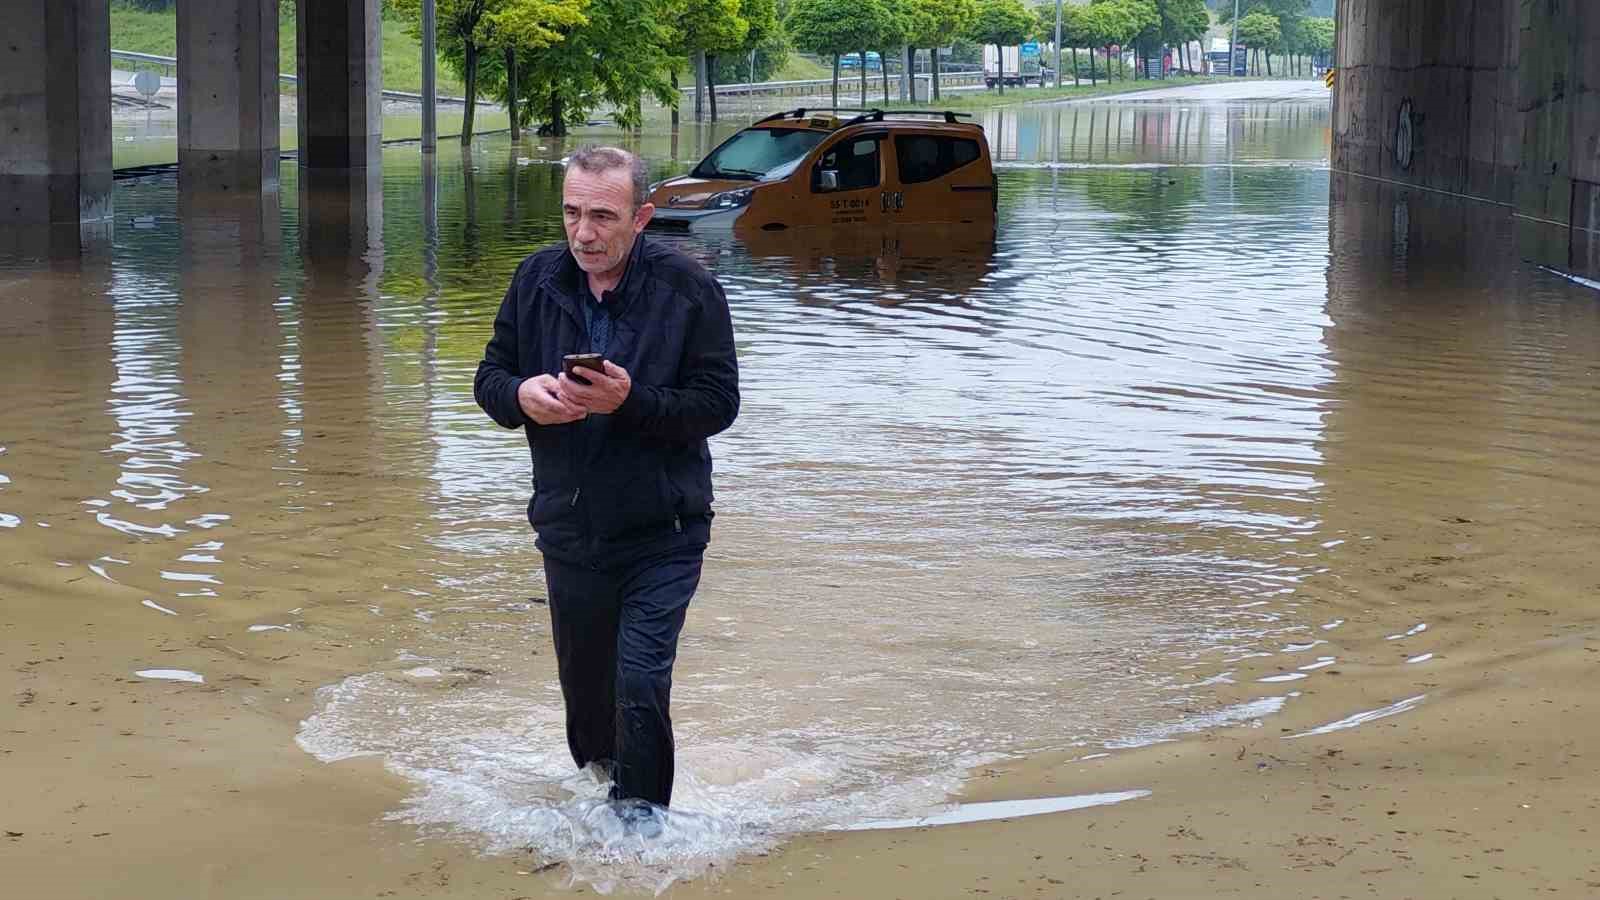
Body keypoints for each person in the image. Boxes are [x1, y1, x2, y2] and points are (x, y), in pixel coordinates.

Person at [473, 146, 740, 829]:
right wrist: (520, 396)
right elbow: (490, 378)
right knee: (588, 703)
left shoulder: (688, 288)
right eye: (571, 213)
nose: (583, 233)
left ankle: (643, 834)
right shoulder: (536, 279)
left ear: (641, 218)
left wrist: (631, 401)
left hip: (664, 530)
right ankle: (602, 807)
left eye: (602, 216)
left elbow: (717, 404)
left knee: (640, 684)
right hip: (569, 527)